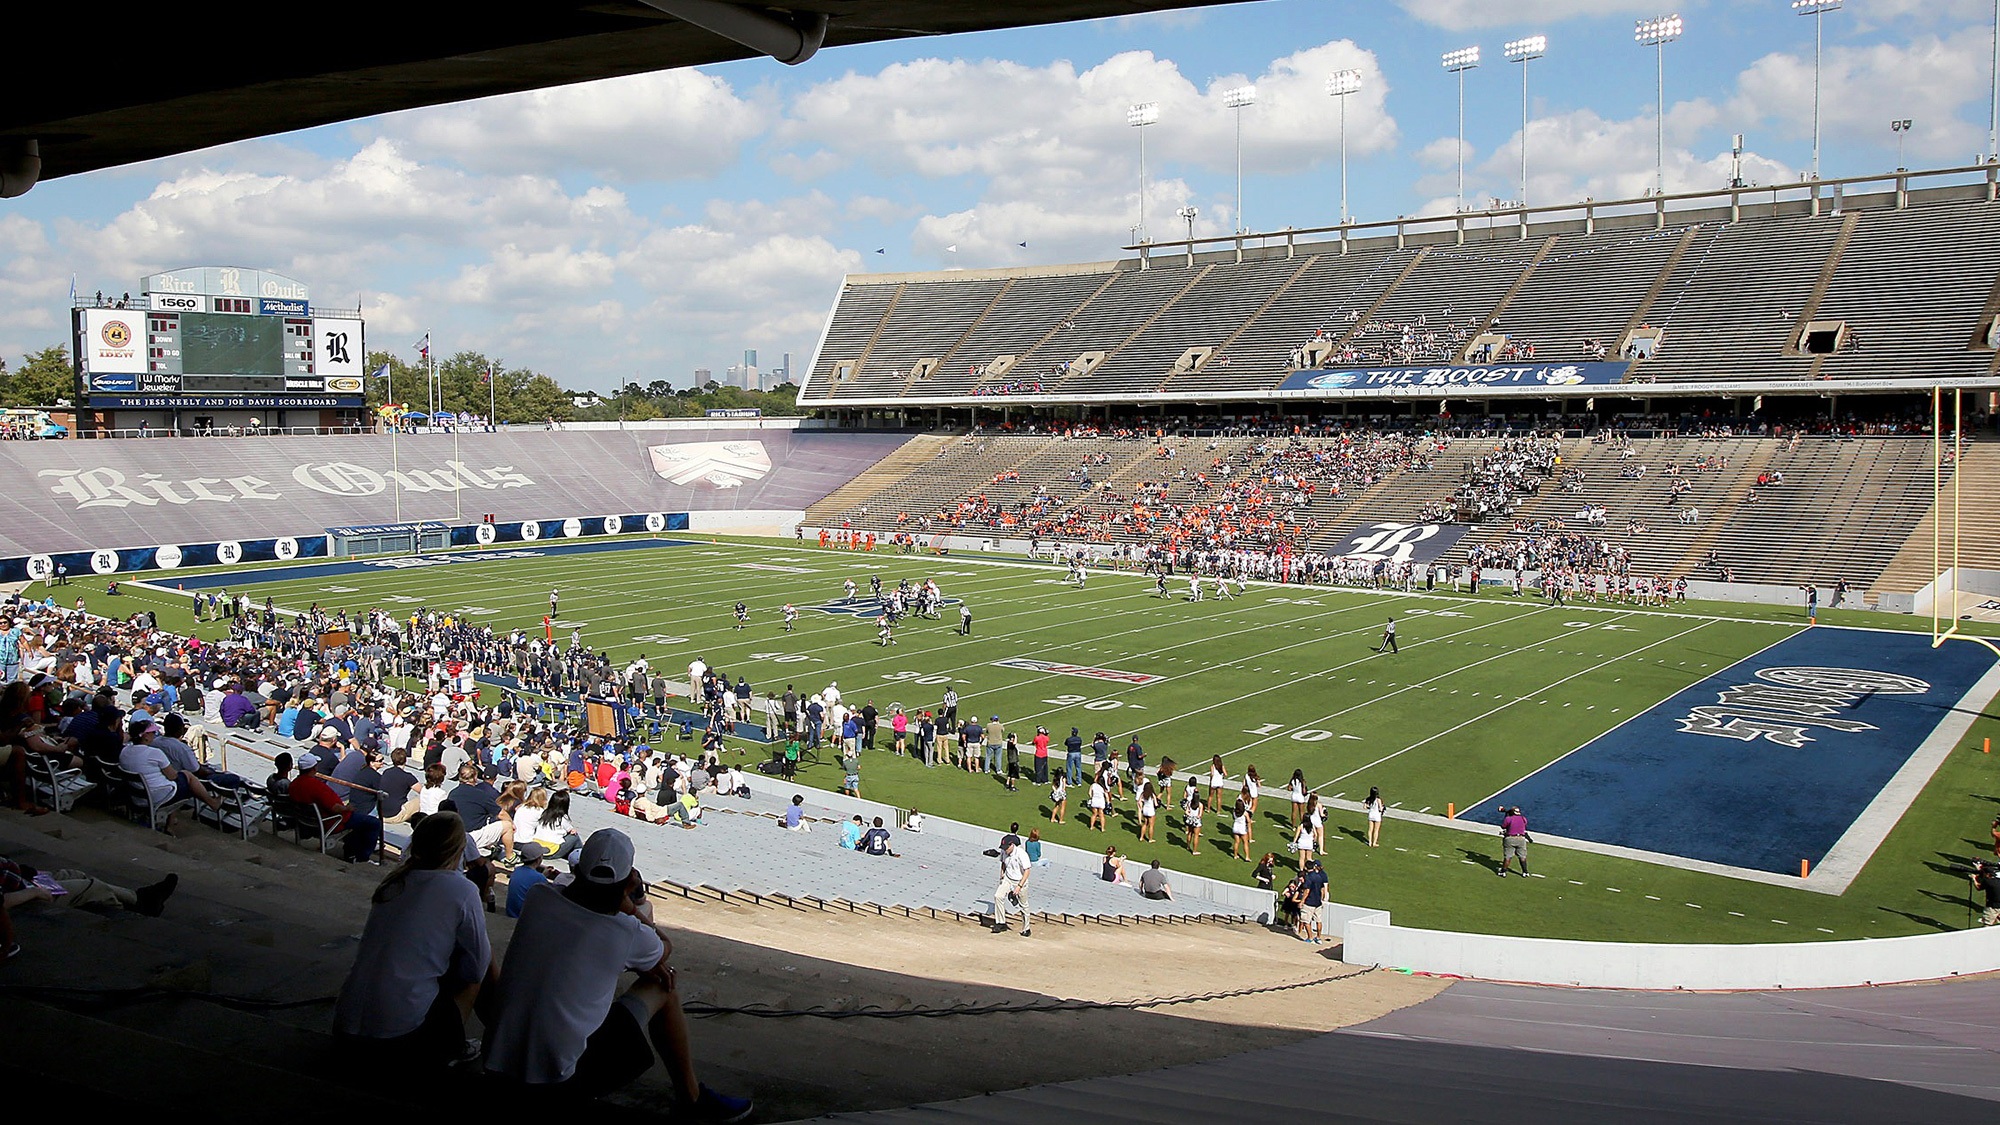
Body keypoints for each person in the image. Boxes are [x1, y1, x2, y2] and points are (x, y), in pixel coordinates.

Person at [483, 829, 753, 1121]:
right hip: (558, 1084)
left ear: (577, 869)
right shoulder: (624, 932)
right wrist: (633, 909)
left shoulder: (538, 898)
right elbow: (664, 946)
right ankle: (692, 1099)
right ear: (629, 880)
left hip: (496, 1065)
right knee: (664, 985)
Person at [331, 813, 491, 1068]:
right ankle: (456, 1045)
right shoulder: (462, 890)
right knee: (480, 969)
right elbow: (477, 968)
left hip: (346, 1026)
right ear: (459, 850)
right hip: (397, 1035)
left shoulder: (393, 882)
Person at [992, 836, 1031, 937]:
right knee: (998, 896)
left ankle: (1026, 928)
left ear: (1012, 845)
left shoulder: (1021, 854)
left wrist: (1019, 886)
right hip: (1008, 878)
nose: (1005, 850)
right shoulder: (1004, 852)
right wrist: (1002, 873)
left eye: (1006, 847)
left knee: (1024, 905)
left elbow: (1027, 871)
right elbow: (1003, 863)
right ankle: (1000, 923)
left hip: (1020, 880)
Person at [507, 842, 551, 918]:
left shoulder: (516, 870)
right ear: (538, 860)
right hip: (523, 916)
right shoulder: (539, 878)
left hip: (511, 912)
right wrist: (543, 876)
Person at [1299, 859, 1329, 944]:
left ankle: (1310, 937)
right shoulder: (1319, 876)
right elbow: (1322, 889)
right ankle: (1318, 937)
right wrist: (1322, 898)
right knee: (1318, 920)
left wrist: (1302, 901)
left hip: (1309, 902)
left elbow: (1307, 891)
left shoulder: (1308, 877)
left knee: (1306, 920)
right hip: (1318, 902)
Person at [1498, 805, 1531, 877]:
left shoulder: (1508, 819)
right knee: (1522, 856)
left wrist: (1506, 816)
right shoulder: (1523, 818)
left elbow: (1503, 826)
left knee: (1508, 856)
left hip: (1510, 839)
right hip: (1521, 839)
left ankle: (1503, 872)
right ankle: (1525, 872)